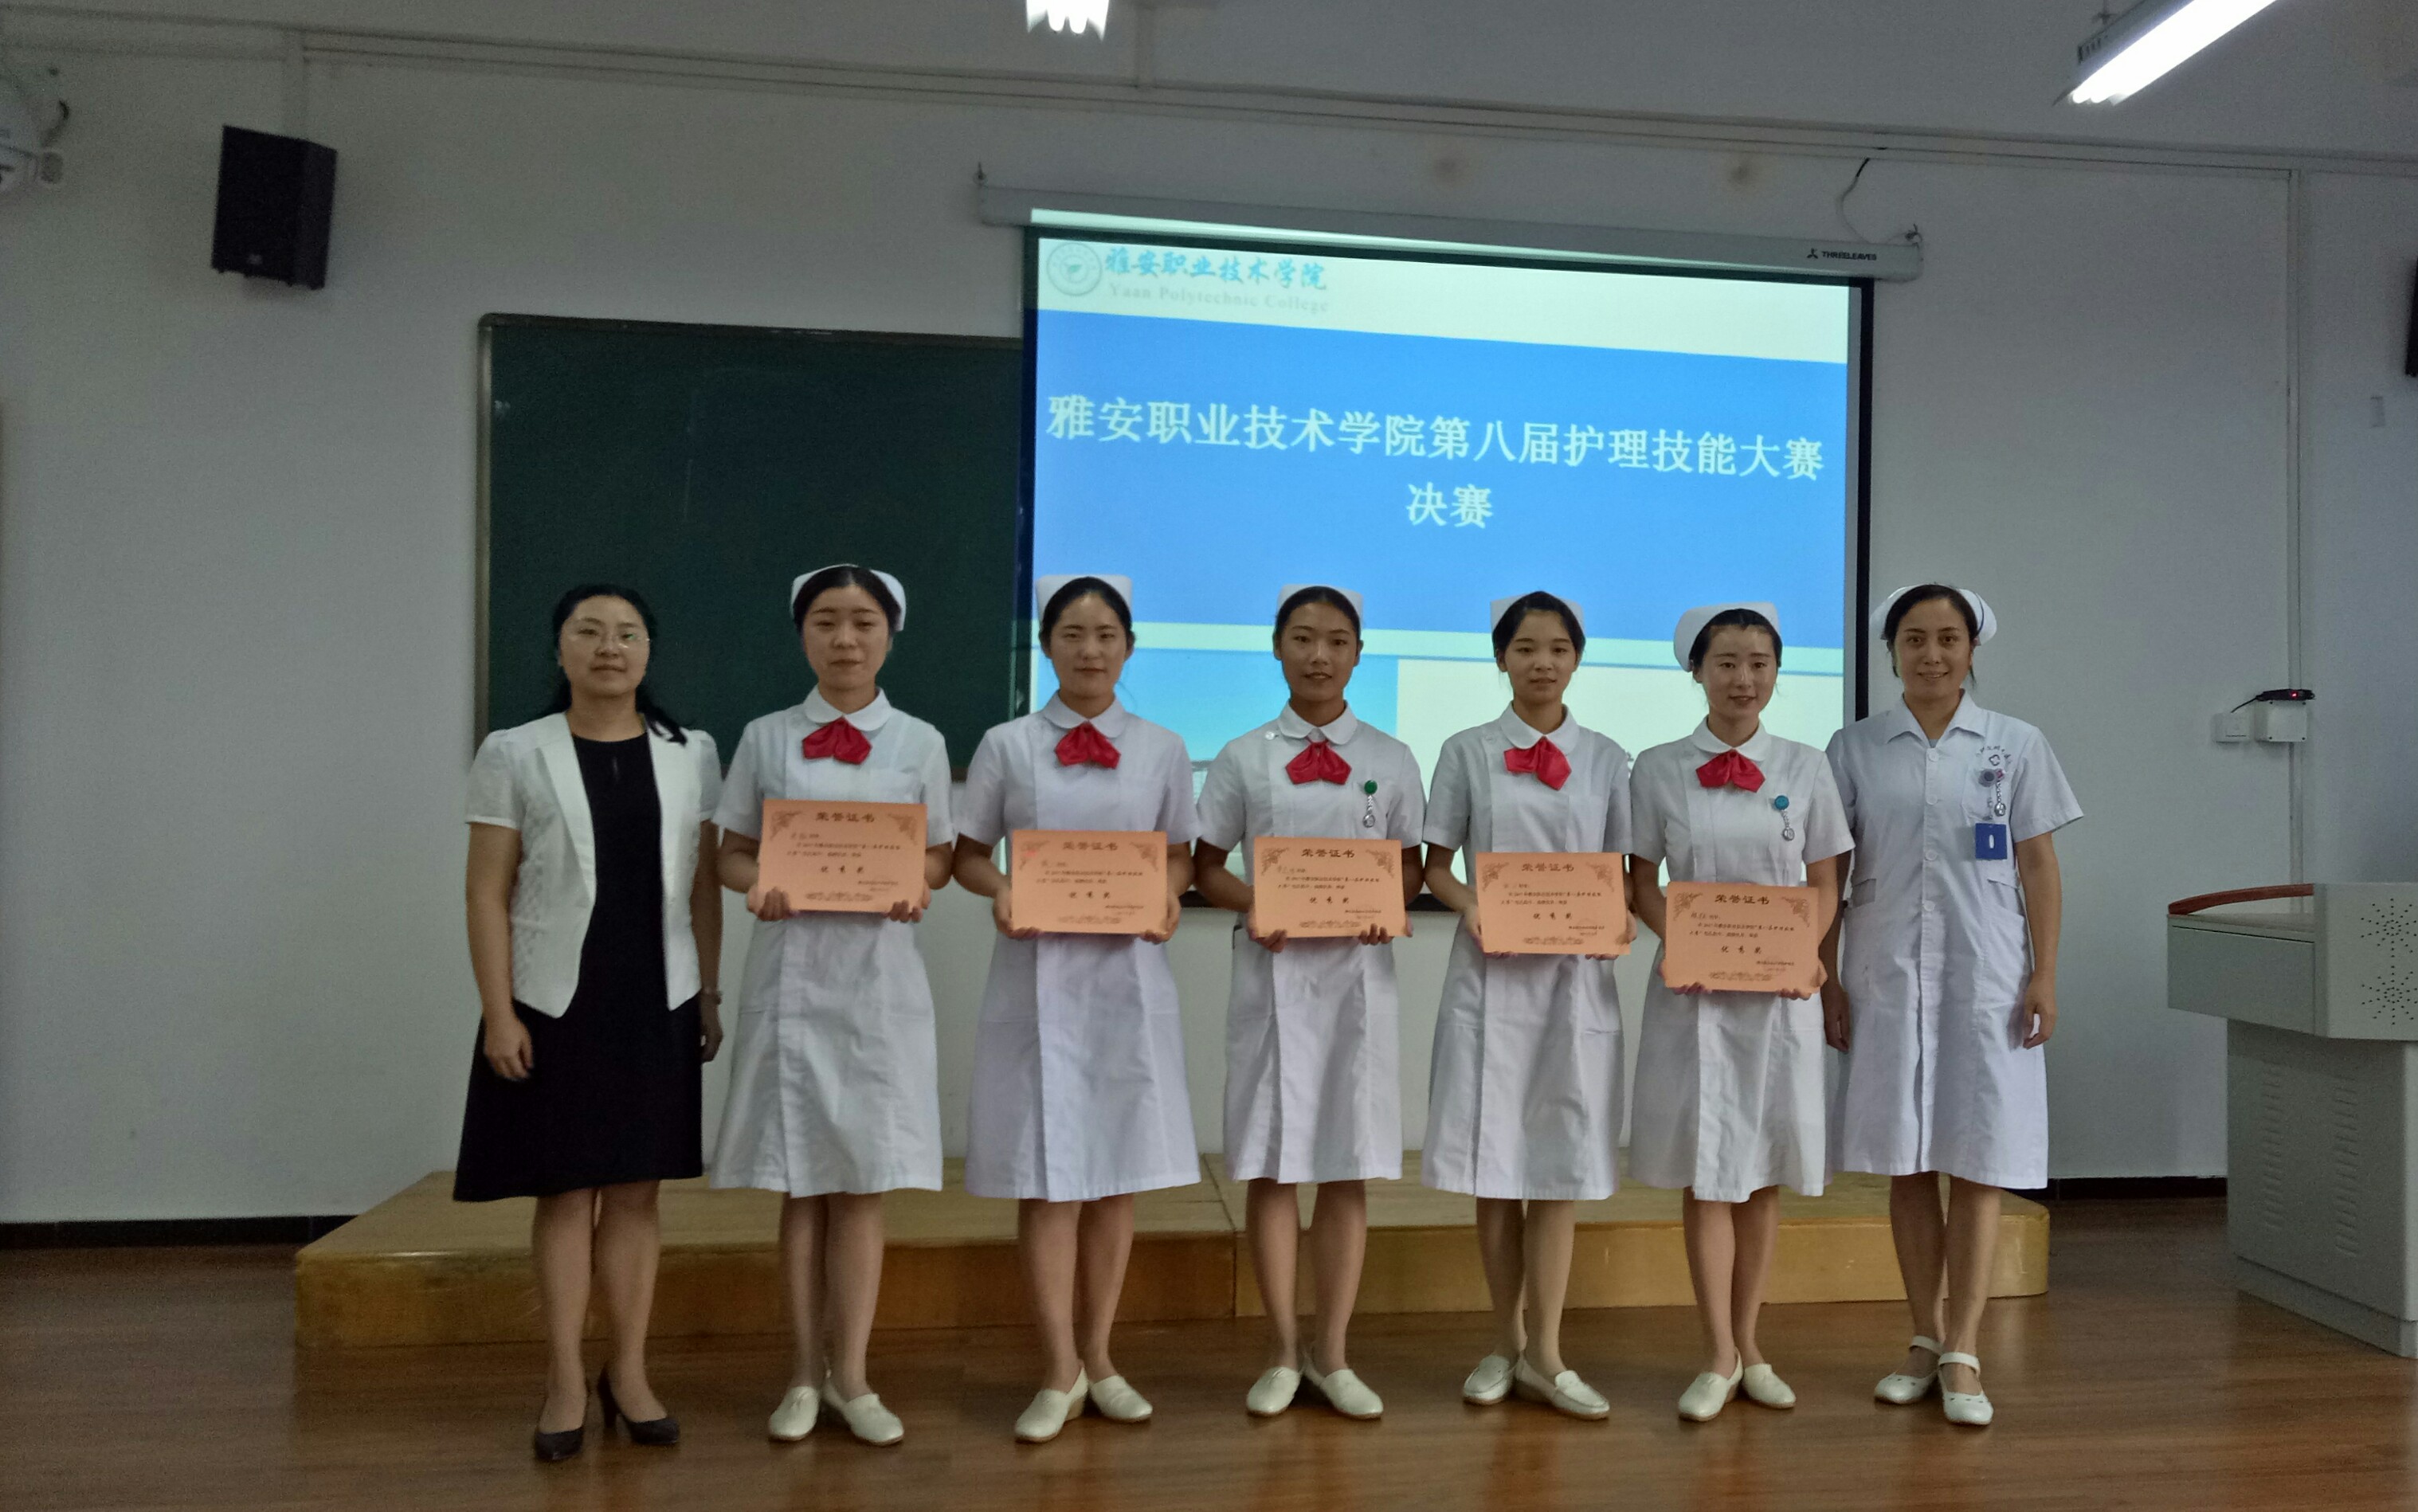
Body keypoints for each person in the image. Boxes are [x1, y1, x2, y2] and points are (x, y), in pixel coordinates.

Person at [455, 584, 724, 1461]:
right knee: (567, 1192)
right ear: (560, 647)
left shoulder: (691, 752)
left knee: (639, 1194)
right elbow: (486, 891)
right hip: (552, 1002)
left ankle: (630, 1372)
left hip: (659, 997)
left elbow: (702, 887)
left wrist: (709, 993)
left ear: (649, 651)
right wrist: (499, 1011)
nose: (610, 647)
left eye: (628, 633)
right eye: (590, 631)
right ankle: (565, 1380)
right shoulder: (515, 750)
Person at [1822, 583, 2080, 1428]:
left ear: (1971, 648)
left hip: (1988, 976)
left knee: (1977, 1157)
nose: (1930, 654)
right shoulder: (1854, 747)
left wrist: (2044, 974)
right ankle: (1922, 1336)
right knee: (1906, 1162)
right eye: (1913, 639)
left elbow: (2037, 866)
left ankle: (1964, 1348)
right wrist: (1825, 975)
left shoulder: (2015, 743)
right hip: (1886, 973)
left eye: (1946, 638)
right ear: (1891, 650)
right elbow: (1827, 874)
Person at [951, 574, 1200, 1443]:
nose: (1089, 650)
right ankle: (1057, 1367)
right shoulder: (1007, 744)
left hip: (1126, 981)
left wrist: (1167, 894)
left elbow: (1179, 854)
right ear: (1046, 645)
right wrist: (1001, 890)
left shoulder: (1163, 747)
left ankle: (1101, 1357)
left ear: (1128, 647)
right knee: (1047, 1174)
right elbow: (968, 853)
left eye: (1105, 635)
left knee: (1115, 1172)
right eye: (1071, 633)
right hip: (1037, 981)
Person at [711, 566, 954, 1447]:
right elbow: (731, 852)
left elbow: (936, 856)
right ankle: (800, 1376)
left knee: (861, 1182)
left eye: (862, 622)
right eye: (825, 621)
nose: (845, 639)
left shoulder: (920, 740)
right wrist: (758, 884)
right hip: (793, 980)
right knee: (800, 1182)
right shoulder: (766, 735)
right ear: (802, 633)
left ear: (890, 632)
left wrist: (914, 884)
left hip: (879, 986)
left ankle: (852, 1377)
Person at [1193, 585, 1425, 1421]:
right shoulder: (1242, 756)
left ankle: (1332, 1352)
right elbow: (1204, 864)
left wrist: (1387, 901)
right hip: (1272, 979)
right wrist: (1254, 902)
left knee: (1344, 1161)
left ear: (1358, 653)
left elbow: (1408, 867)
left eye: (1335, 641)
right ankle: (1280, 1350)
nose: (1318, 655)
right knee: (1270, 1162)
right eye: (1301, 638)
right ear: (1277, 648)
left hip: (1356, 983)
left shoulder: (1392, 755)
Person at [1626, 603, 1850, 1421]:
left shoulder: (1805, 766)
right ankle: (1716, 1351)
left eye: (1758, 662)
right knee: (1707, 1170)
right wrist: (1681, 942)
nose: (1742, 678)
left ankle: (1750, 1347)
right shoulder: (1657, 768)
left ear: (1776, 672)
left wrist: (1803, 951)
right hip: (1693, 996)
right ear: (1696, 670)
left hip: (1778, 997)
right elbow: (1638, 879)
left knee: (1761, 1171)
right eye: (1724, 662)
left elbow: (1824, 880)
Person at [1420, 590, 1632, 1421]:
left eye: (1557, 649)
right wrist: (1470, 905)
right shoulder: (1467, 751)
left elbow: (1622, 876)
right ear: (1500, 657)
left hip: (1573, 983)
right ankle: (1503, 1341)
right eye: (1525, 648)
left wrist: (1616, 920)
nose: (1542, 662)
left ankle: (1546, 1351)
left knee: (1558, 1163)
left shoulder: (1608, 758)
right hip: (1490, 980)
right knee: (1494, 1164)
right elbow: (1434, 865)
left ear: (1576, 659)